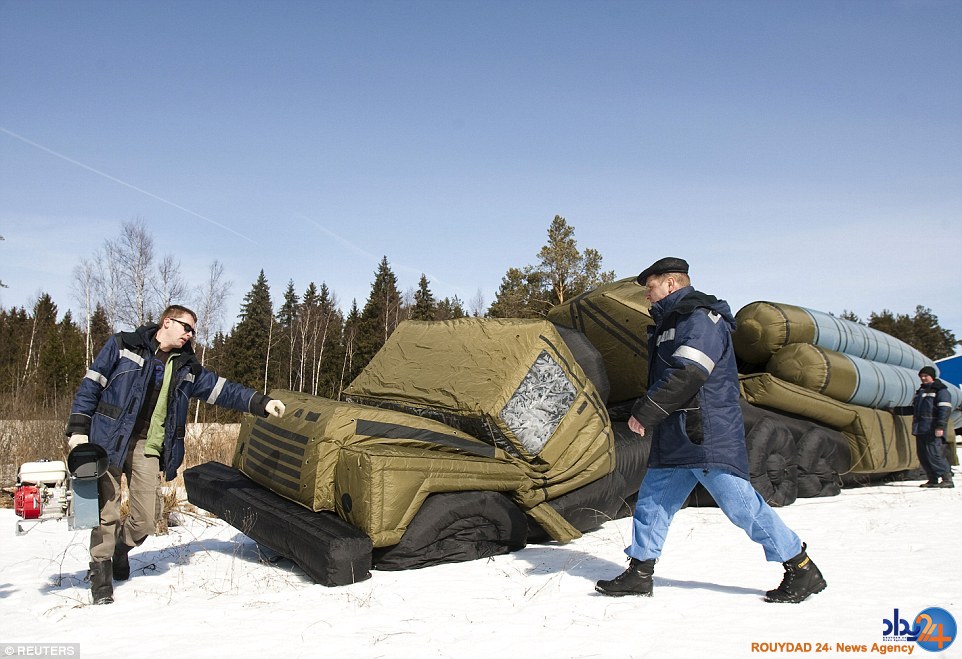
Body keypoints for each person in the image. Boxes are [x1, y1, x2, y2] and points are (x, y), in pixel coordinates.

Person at [595, 257, 826, 603]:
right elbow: (667, 378)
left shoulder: (701, 318)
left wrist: (646, 412)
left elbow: (689, 373)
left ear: (671, 284)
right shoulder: (668, 324)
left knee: (742, 507)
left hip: (704, 433)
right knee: (652, 503)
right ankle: (640, 573)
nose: (647, 295)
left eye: (651, 287)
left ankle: (802, 567)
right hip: (677, 435)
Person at [65, 304, 286, 605]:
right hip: (108, 438)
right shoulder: (123, 345)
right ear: (167, 322)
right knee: (107, 511)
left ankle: (121, 547)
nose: (190, 335)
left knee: (145, 518)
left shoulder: (186, 367)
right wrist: (78, 429)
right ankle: (100, 572)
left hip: (148, 445)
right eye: (187, 327)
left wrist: (260, 403)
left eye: (193, 331)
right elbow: (91, 385)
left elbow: (223, 390)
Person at [891, 366, 954, 489]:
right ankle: (932, 479)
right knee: (923, 455)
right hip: (920, 428)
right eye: (921, 376)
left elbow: (944, 410)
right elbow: (915, 410)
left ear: (932, 376)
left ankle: (947, 479)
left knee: (934, 454)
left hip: (933, 428)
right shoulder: (921, 391)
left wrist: (940, 426)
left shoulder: (941, 391)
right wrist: (896, 410)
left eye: (926, 376)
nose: (923, 378)